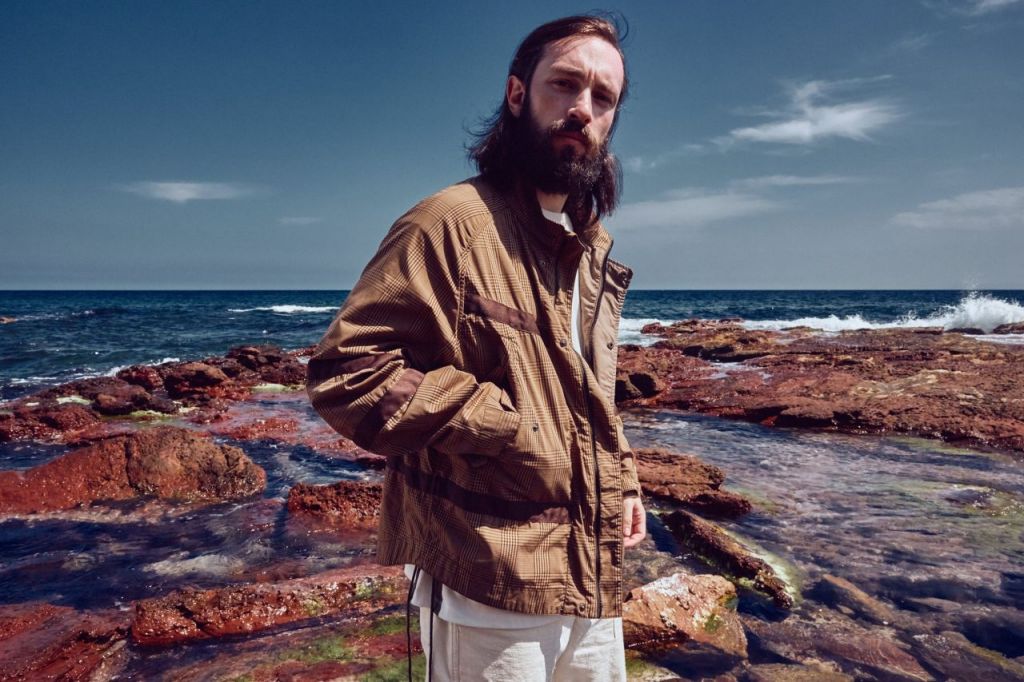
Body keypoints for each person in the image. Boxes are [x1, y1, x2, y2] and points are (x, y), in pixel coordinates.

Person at [306, 14, 645, 681]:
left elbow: (586, 389)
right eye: (565, 84)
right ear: (518, 94)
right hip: (485, 583)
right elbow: (348, 373)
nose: (583, 108)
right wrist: (507, 424)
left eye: (603, 97)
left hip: (591, 574)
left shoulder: (588, 247)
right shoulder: (450, 224)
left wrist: (624, 479)